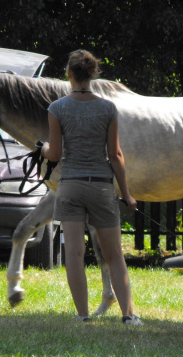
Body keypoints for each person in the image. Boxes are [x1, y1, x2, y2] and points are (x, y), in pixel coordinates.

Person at [41, 49, 142, 326]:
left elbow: (55, 153)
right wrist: (127, 194)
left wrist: (46, 148)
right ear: (93, 74)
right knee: (114, 255)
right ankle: (128, 315)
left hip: (70, 186)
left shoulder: (57, 108)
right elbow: (115, 155)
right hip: (100, 188)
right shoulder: (108, 108)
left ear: (69, 74)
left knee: (74, 253)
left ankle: (83, 316)